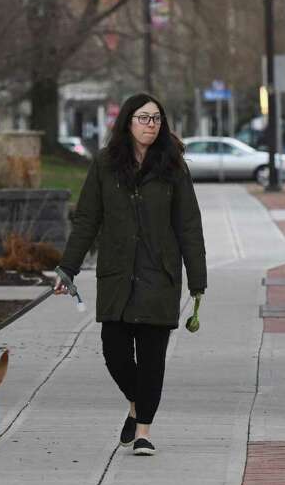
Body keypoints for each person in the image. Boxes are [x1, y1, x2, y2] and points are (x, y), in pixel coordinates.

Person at [54, 93, 207, 457]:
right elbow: (87, 221)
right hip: (118, 276)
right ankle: (138, 403)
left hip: (160, 276)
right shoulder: (105, 165)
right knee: (115, 352)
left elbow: (189, 226)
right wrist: (68, 268)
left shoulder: (174, 168)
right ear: (127, 121)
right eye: (143, 118)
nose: (150, 125)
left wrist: (197, 279)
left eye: (156, 119)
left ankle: (143, 431)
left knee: (152, 358)